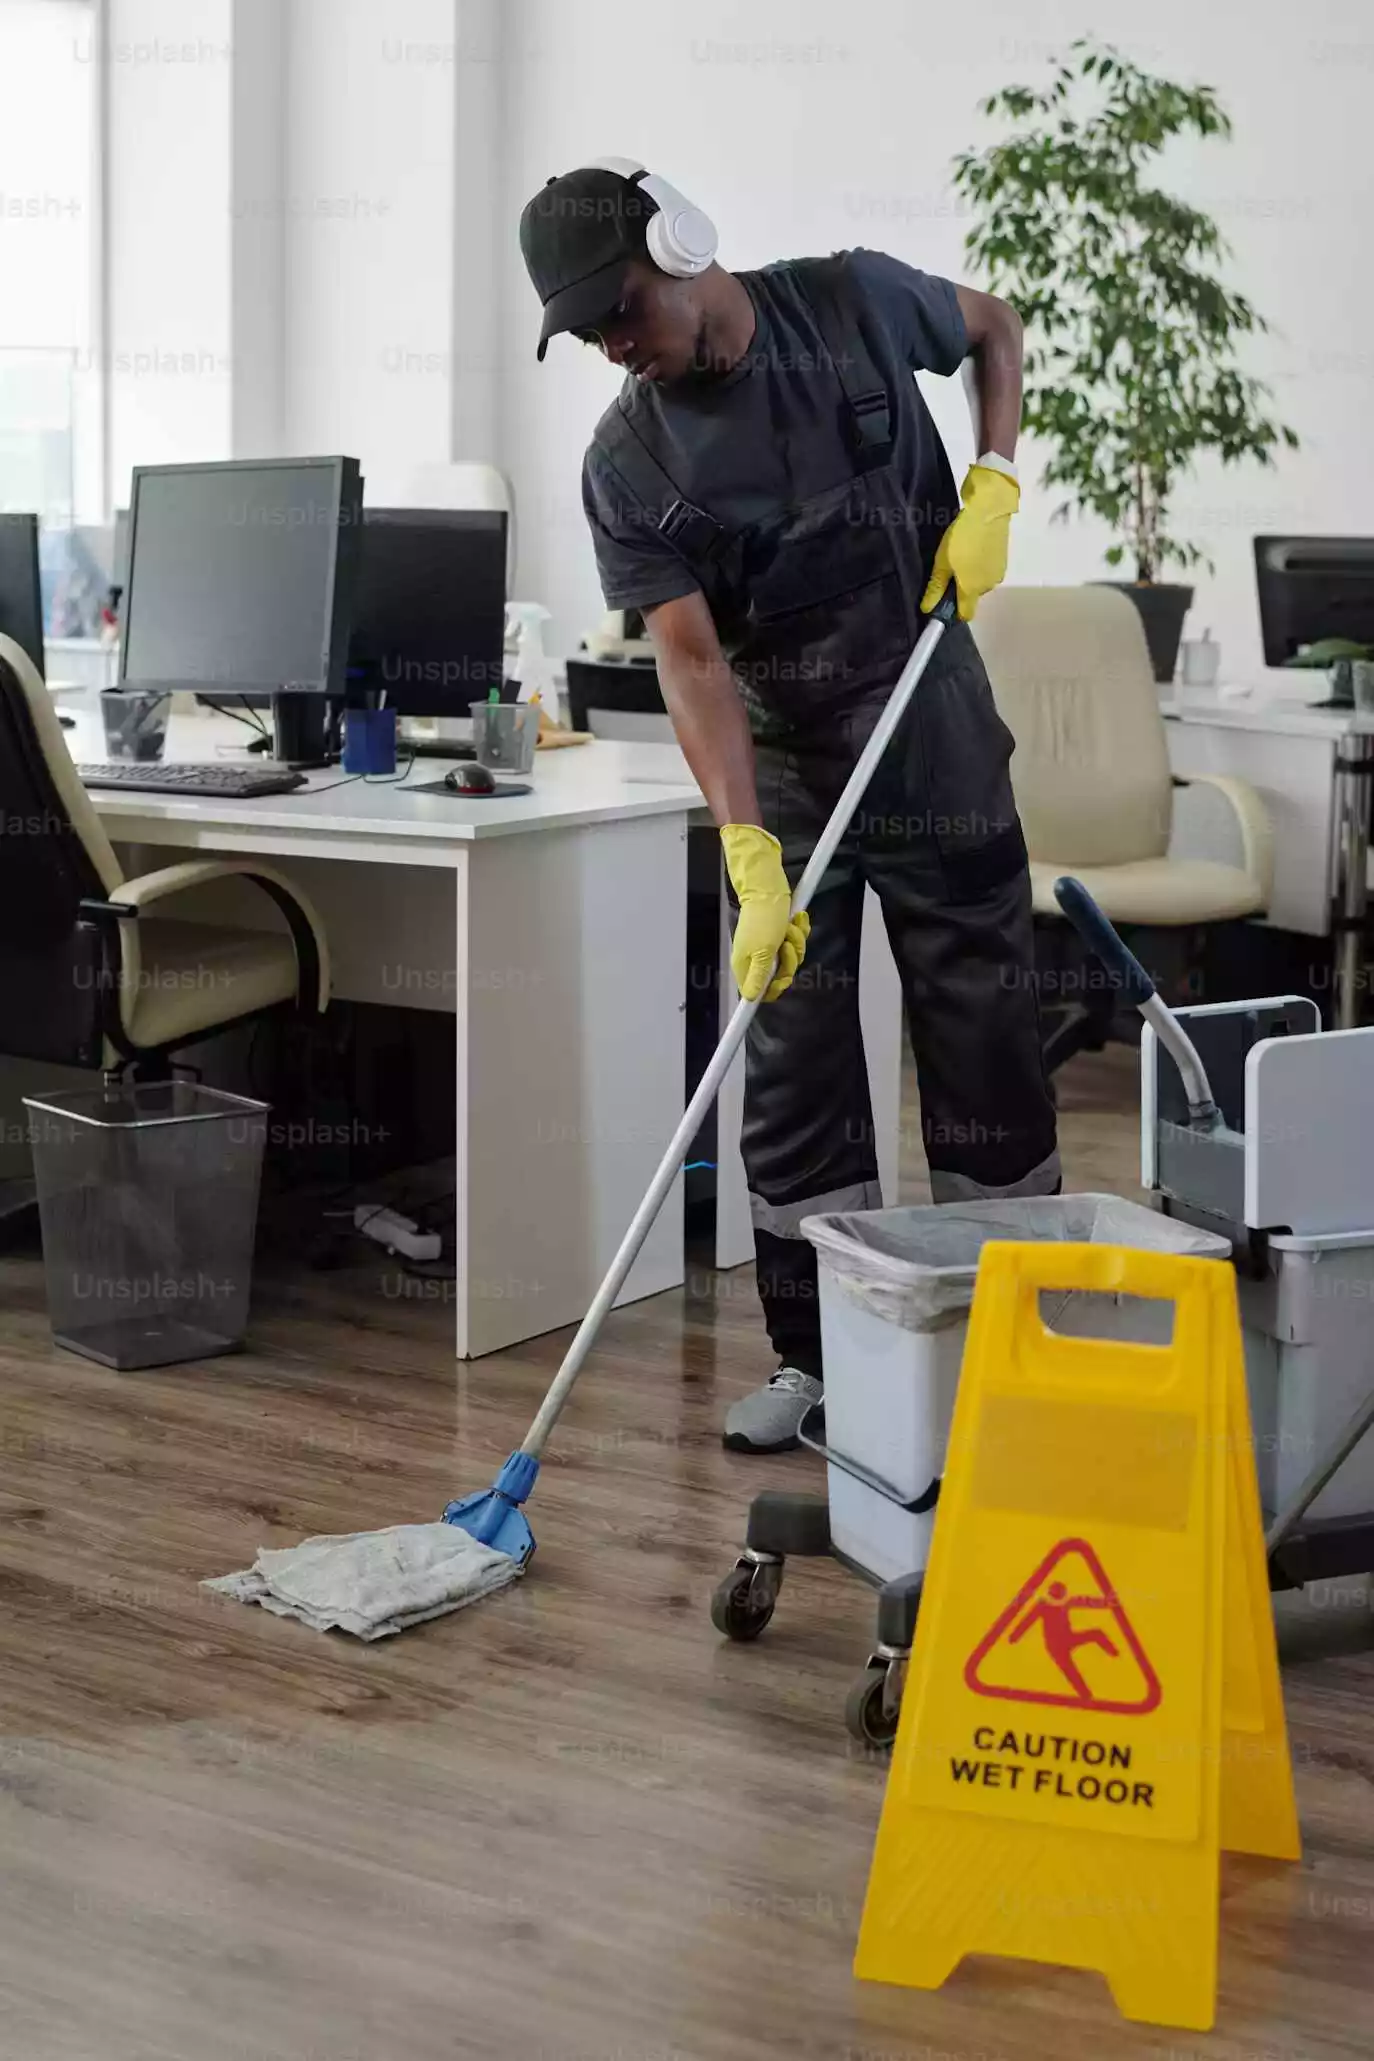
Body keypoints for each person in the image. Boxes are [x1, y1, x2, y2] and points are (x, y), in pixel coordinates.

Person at [519, 158, 1059, 1453]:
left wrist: (992, 480)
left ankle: (1017, 1335)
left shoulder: (855, 303)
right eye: (588, 333)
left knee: (980, 1030)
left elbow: (993, 327)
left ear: (681, 242)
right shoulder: (628, 463)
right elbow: (690, 661)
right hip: (790, 773)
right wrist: (747, 853)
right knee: (793, 1064)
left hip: (930, 727)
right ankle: (822, 1363)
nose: (614, 348)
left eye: (621, 313)